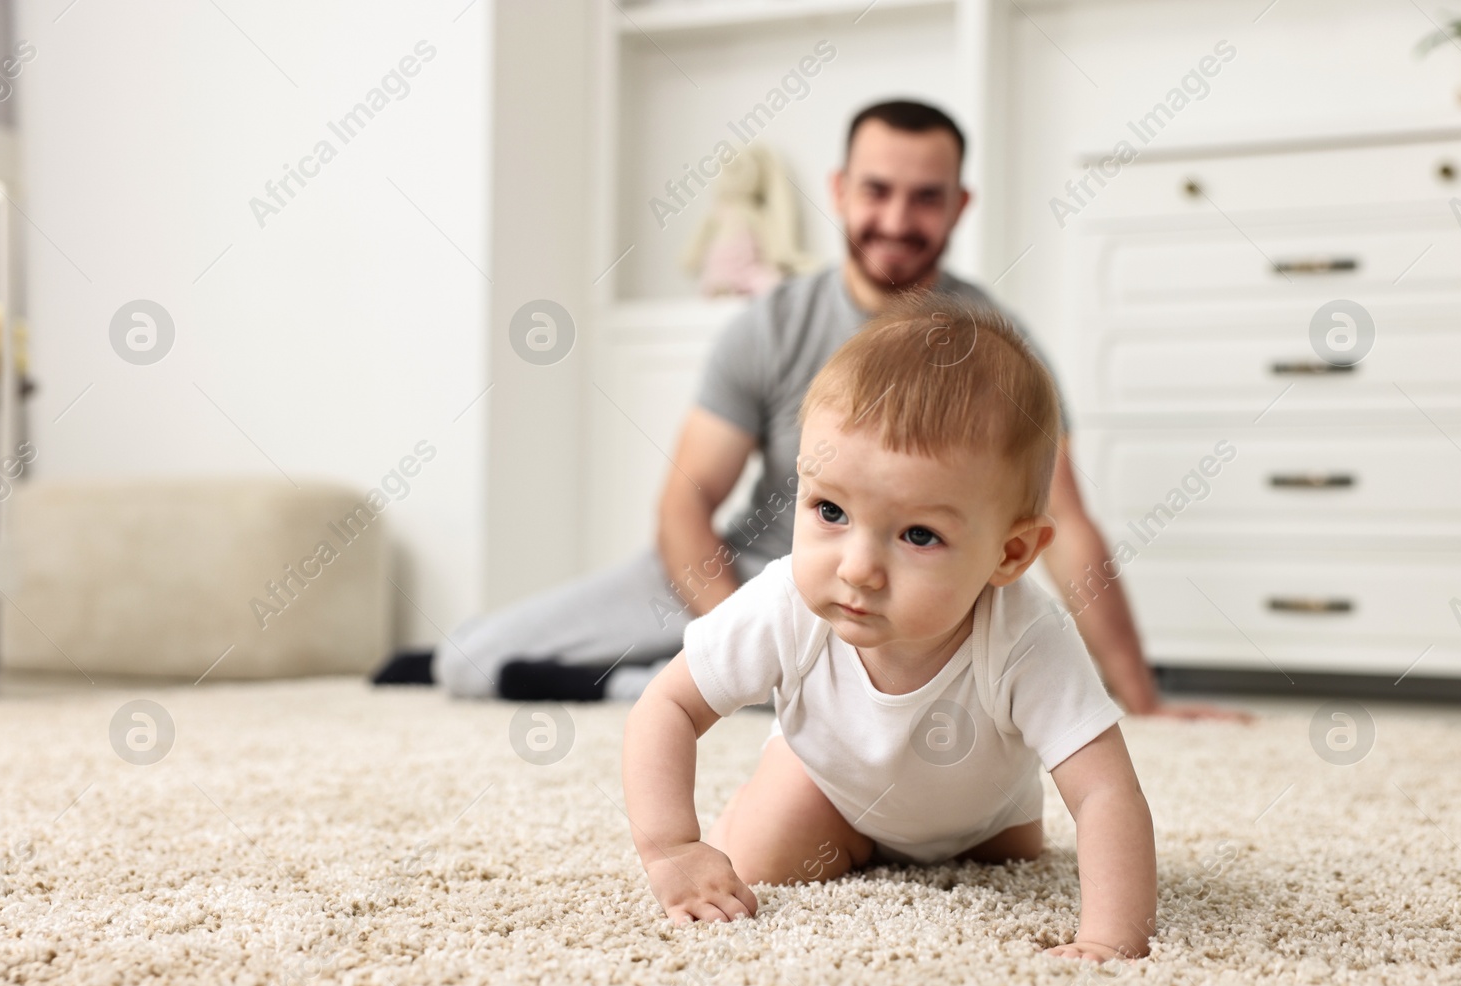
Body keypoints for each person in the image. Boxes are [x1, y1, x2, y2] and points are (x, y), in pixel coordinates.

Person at [416, 99, 1242, 722]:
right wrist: (742, 629)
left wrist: (1142, 696)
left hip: (897, 596)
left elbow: (1065, 520)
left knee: (893, 717)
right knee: (464, 661)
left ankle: (659, 684)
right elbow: (684, 502)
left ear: (959, 207)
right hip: (742, 581)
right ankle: (666, 680)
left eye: (925, 198)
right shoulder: (770, 325)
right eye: (877, 191)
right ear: (842, 191)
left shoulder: (996, 346)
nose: (895, 219)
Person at [621, 290, 1156, 962]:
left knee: (1014, 867)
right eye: (831, 511)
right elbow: (666, 705)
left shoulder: (1025, 637)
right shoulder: (785, 602)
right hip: (830, 786)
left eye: (919, 534)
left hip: (988, 818)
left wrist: (1111, 937)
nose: (859, 568)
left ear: (1010, 553)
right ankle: (790, 818)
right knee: (756, 859)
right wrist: (673, 846)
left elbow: (1106, 790)